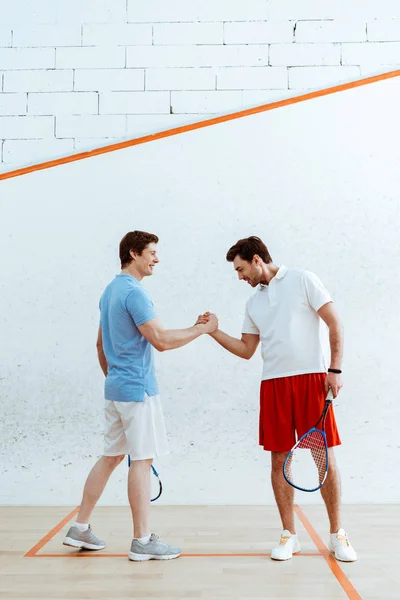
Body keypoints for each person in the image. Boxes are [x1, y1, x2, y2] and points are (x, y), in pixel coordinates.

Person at [197, 236, 357, 562]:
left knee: (322, 457)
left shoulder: (302, 279)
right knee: (278, 462)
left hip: (312, 380)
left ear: (257, 260)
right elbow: (246, 350)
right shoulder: (253, 303)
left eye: (241, 269)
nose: (240, 277)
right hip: (273, 386)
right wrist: (212, 331)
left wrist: (335, 370)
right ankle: (289, 535)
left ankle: (337, 533)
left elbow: (335, 323)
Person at [63, 230, 218, 561]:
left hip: (116, 389)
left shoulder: (109, 292)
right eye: (152, 252)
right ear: (133, 253)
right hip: (137, 391)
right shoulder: (135, 293)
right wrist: (203, 330)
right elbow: (160, 340)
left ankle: (80, 526)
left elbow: (99, 346)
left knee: (110, 458)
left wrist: (117, 379)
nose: (156, 259)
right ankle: (142, 541)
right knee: (142, 460)